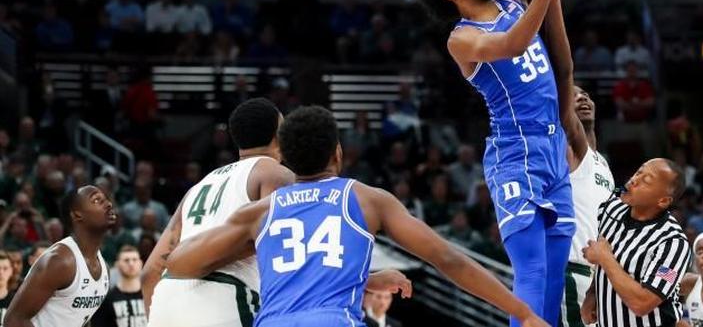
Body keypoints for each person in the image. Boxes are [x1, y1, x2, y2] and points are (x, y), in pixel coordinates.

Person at [163, 106, 550, 327]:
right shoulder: (366, 199)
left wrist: (254, 247)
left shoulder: (259, 213)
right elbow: (446, 258)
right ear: (338, 153)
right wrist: (522, 312)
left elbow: (178, 263)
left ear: (289, 161)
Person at [415, 0, 572, 327]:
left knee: (553, 276)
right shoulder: (462, 38)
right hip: (514, 152)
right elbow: (511, 46)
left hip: (551, 146)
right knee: (528, 273)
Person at [142, 98, 295, 327]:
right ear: (279, 135)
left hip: (165, 299)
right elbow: (281, 251)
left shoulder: (200, 185)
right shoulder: (276, 174)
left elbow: (149, 273)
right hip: (225, 294)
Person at [530, 0, 615, 327]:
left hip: (599, 277)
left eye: (587, 97)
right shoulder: (572, 146)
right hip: (571, 269)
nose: (582, 100)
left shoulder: (600, 162)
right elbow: (564, 73)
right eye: (575, 98)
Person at [581, 158, 692, 327]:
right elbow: (608, 259)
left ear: (663, 201)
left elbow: (643, 303)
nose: (634, 180)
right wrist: (592, 293)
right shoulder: (612, 208)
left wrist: (604, 258)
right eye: (638, 172)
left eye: (646, 181)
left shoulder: (673, 244)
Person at [2, 186, 116, 327]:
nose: (109, 204)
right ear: (77, 215)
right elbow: (13, 321)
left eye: (106, 199)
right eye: (97, 200)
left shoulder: (104, 268)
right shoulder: (60, 260)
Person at [91, 246, 146, 327]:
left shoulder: (152, 296)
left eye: (134, 259)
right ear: (117, 265)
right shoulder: (107, 300)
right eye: (126, 260)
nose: (131, 264)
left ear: (141, 263)